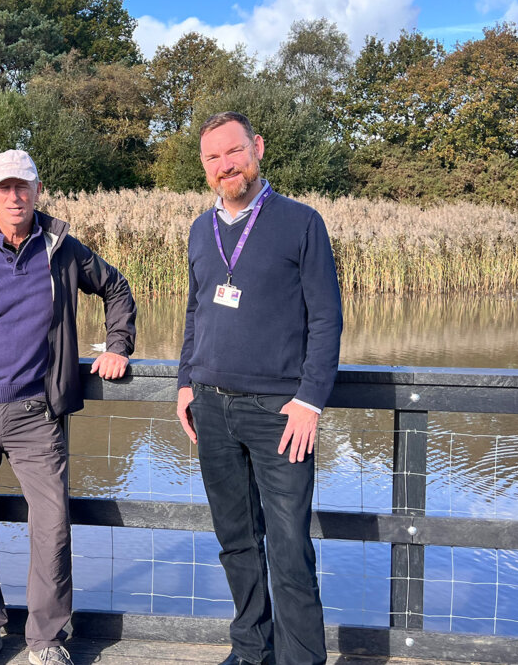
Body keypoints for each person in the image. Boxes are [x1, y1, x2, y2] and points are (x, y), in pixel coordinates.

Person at [0, 149, 136, 665]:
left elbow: (117, 288)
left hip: (38, 414)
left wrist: (118, 345)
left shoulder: (62, 250)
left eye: (24, 186)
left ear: (38, 191)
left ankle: (46, 641)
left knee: (52, 526)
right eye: (5, 187)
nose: (15, 196)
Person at [176, 112, 343, 665]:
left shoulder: (301, 222)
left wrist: (310, 400)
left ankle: (301, 660)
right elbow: (195, 311)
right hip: (212, 410)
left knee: (291, 550)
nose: (225, 165)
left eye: (233, 152)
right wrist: (185, 382)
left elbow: (326, 319)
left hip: (280, 412)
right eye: (213, 158)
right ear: (203, 167)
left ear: (258, 148)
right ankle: (252, 650)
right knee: (236, 542)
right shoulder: (201, 230)